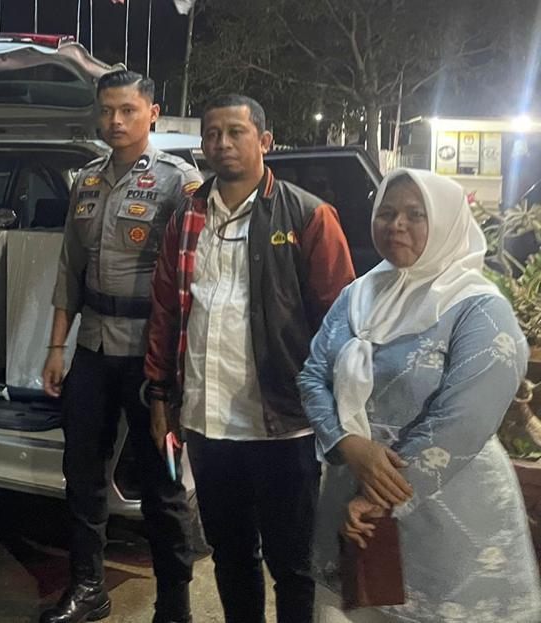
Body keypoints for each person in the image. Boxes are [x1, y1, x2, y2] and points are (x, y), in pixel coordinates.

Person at [144, 94, 355, 623]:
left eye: (235, 132)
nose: (222, 143)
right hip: (208, 422)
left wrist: (337, 415)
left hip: (283, 425)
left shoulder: (308, 215)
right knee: (231, 555)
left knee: (292, 563)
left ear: (264, 141)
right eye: (212, 134)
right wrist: (161, 396)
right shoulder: (186, 216)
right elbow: (166, 311)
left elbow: (341, 326)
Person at [298, 169, 541, 622]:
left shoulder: (480, 309)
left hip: (447, 516)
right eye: (387, 213)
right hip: (352, 501)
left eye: (415, 214)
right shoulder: (358, 296)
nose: (397, 225)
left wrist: (378, 497)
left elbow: (465, 417)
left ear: (447, 222)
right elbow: (313, 376)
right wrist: (348, 444)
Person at [39, 69, 207, 623]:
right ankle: (88, 587)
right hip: (91, 347)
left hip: (149, 354)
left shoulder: (178, 182)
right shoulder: (86, 181)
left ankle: (174, 604)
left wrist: (179, 366)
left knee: (163, 484)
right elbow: (70, 268)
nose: (115, 121)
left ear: (152, 113)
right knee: (82, 474)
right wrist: (57, 347)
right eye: (108, 110)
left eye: (128, 110)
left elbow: (194, 277)